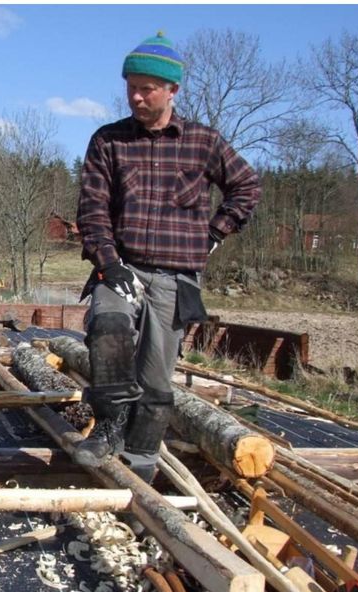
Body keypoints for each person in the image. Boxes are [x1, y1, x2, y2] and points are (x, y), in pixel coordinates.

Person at [75, 32, 261, 481]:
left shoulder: (203, 142)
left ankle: (140, 467)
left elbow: (247, 187)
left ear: (172, 90)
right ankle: (109, 426)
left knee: (156, 380)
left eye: (148, 89)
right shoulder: (110, 140)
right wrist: (108, 261)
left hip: (175, 277)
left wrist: (215, 233)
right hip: (122, 267)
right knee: (108, 327)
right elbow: (92, 207)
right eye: (131, 87)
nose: (137, 97)